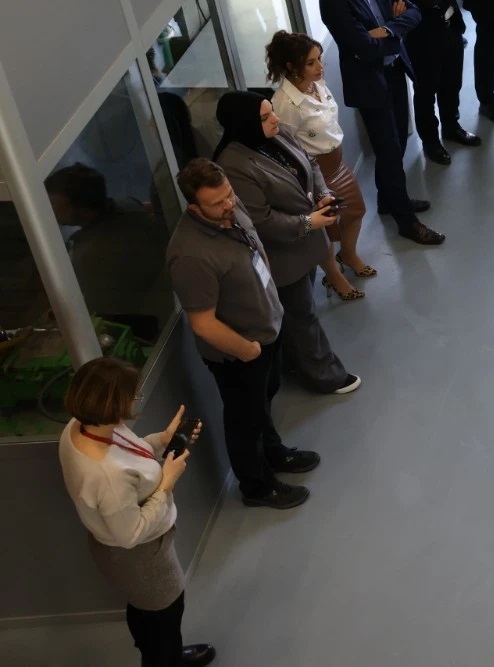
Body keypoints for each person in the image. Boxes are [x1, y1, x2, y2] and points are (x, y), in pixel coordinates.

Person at [166, 158, 322, 510]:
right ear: (194, 207)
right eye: (217, 202)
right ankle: (257, 487)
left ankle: (274, 453)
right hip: (239, 352)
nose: (228, 205)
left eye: (229, 195)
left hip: (267, 330)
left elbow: (255, 252)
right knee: (244, 419)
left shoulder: (230, 210)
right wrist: (248, 350)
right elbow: (203, 323)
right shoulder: (191, 255)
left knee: (264, 400)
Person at [58, 357, 214, 667]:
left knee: (146, 610)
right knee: (165, 615)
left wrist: (162, 440)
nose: (135, 400)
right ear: (114, 404)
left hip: (123, 554)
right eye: (133, 395)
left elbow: (129, 457)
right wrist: (166, 482)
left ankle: (160, 653)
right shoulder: (107, 475)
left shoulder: (82, 426)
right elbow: (132, 533)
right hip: (141, 556)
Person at [213, 91, 361, 394]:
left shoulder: (276, 134)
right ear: (245, 123)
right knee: (301, 315)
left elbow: (310, 164)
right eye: (265, 116)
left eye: (271, 111)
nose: (275, 119)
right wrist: (309, 222)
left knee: (300, 311)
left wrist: (323, 194)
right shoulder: (234, 165)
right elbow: (262, 220)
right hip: (281, 254)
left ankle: (297, 362)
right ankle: (324, 376)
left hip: (306, 242)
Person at [318, 0, 445, 245]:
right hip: (369, 82)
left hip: (394, 70)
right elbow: (362, 45)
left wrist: (386, 30)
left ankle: (388, 199)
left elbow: (413, 11)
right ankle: (406, 221)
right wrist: (392, 31)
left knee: (398, 141)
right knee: (387, 149)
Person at [266, 32, 374, 292]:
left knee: (355, 211)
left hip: (337, 164)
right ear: (292, 66)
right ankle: (334, 276)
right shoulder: (285, 103)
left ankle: (348, 254)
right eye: (311, 62)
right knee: (326, 229)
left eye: (319, 59)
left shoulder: (316, 84)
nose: (320, 66)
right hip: (315, 172)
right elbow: (285, 146)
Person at [380, 0, 478, 165]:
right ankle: (431, 143)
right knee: (426, 93)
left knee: (452, 84)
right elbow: (420, 1)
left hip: (451, 28)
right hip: (423, 40)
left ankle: (452, 126)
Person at [44, 164, 171, 338]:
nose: (50, 210)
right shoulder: (129, 205)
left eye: (54, 206)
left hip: (144, 325)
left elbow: (99, 310)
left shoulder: (90, 255)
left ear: (86, 212)